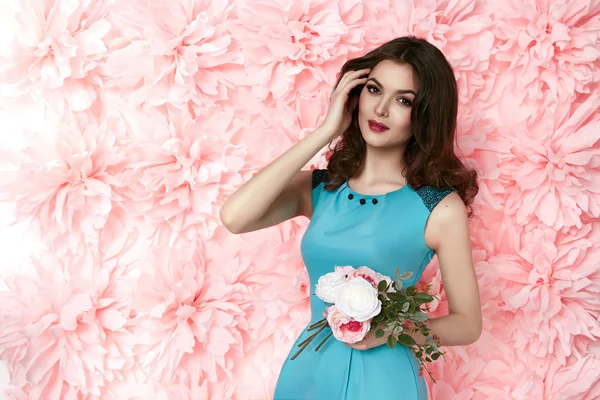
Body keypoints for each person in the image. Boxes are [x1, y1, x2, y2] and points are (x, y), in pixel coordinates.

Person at [220, 36, 482, 400]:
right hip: (308, 372)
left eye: (404, 100)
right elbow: (234, 217)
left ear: (424, 114)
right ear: (354, 93)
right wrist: (327, 129)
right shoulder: (322, 189)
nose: (381, 109)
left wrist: (392, 329)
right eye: (374, 90)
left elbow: (468, 324)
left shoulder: (438, 207)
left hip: (384, 380)